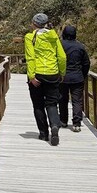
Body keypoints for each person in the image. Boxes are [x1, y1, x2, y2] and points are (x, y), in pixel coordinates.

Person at [24, 13, 67, 146]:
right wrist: (62, 72)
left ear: (34, 23)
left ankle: (43, 133)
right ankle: (54, 125)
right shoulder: (53, 36)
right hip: (52, 73)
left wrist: (32, 76)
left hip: (37, 74)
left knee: (38, 105)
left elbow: (30, 58)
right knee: (52, 103)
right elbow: (62, 57)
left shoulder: (30, 37)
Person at [58, 25, 90, 133]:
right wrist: (83, 75)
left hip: (62, 77)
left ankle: (63, 120)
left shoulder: (60, 45)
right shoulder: (80, 47)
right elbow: (86, 63)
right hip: (77, 77)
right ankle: (76, 123)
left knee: (62, 99)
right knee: (77, 100)